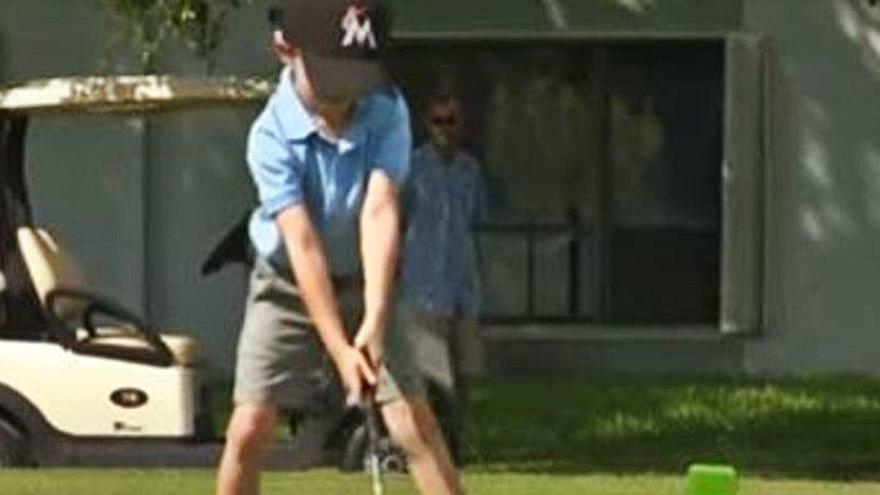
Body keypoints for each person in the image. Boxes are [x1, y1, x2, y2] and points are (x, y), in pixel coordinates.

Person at [215, 2, 462, 494]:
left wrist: (372, 319)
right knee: (249, 427)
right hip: (287, 282)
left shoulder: (386, 108)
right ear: (286, 50)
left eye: (356, 76)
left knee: (413, 422)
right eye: (331, 75)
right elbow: (302, 244)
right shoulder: (269, 136)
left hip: (366, 277)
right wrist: (339, 350)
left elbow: (379, 211)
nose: (345, 93)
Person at [397, 88, 488, 464]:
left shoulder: (470, 170)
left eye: (451, 122)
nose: (445, 130)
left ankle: (455, 448)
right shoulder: (414, 168)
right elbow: (396, 221)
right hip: (424, 288)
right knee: (435, 379)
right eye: (438, 122)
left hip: (463, 289)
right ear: (427, 125)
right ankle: (431, 452)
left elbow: (478, 218)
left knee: (464, 377)